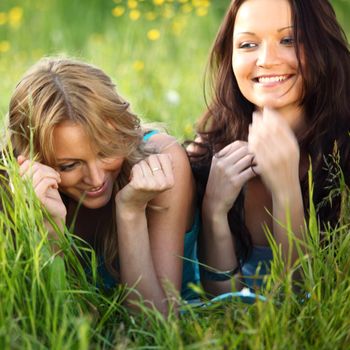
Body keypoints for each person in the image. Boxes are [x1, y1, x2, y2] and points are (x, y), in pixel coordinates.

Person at [6, 57, 199, 314]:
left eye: (107, 151)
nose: (96, 179)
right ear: (33, 160)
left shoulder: (159, 162)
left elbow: (156, 322)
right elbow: (49, 325)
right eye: (69, 166)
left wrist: (131, 212)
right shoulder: (13, 186)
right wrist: (49, 231)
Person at [187, 0, 350, 296]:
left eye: (289, 40)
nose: (266, 59)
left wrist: (286, 190)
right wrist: (214, 211)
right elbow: (225, 307)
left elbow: (306, 306)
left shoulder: (344, 154)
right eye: (248, 44)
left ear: (322, 46)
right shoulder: (210, 151)